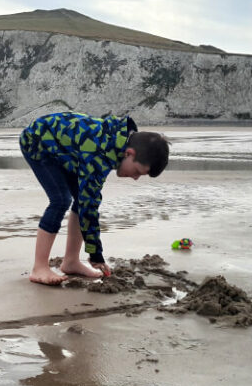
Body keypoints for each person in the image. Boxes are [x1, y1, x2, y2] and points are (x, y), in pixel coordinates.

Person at [20, 111, 169, 285]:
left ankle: (71, 261)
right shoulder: (100, 153)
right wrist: (96, 254)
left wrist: (94, 251)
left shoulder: (114, 143)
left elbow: (86, 202)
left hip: (66, 150)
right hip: (37, 142)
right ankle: (39, 268)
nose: (135, 178)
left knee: (79, 198)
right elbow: (89, 206)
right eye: (137, 172)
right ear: (129, 153)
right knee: (61, 200)